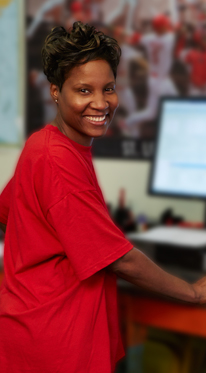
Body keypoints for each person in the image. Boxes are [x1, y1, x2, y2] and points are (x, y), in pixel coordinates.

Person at [0, 22, 206, 373]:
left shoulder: (43, 144)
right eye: (83, 90)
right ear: (55, 92)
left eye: (108, 88)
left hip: (27, 329)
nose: (100, 102)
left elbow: (8, 211)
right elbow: (119, 260)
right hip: (59, 346)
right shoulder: (58, 160)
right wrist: (195, 293)